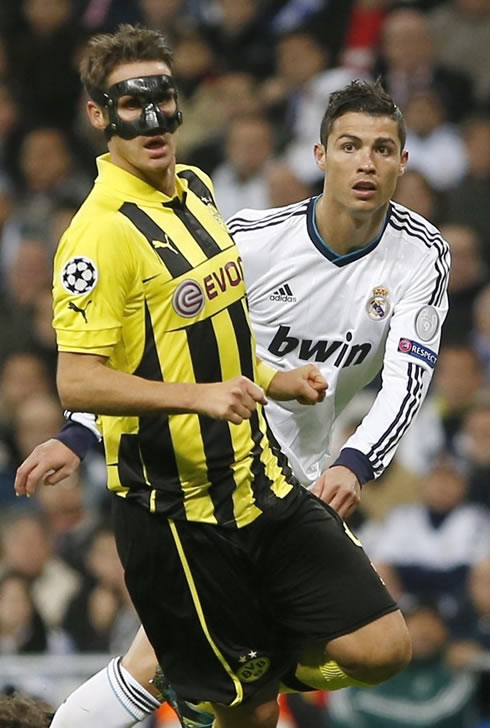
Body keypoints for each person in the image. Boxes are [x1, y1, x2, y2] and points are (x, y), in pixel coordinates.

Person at [17, 52, 447, 727]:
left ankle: (238, 663)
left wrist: (356, 461)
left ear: (402, 161)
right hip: (210, 482)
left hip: (295, 481)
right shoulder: (249, 240)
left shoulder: (420, 253)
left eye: (382, 149)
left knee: (376, 650)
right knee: (197, 681)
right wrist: (80, 429)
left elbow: (409, 378)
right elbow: (152, 342)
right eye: (350, 146)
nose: (366, 163)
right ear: (319, 154)